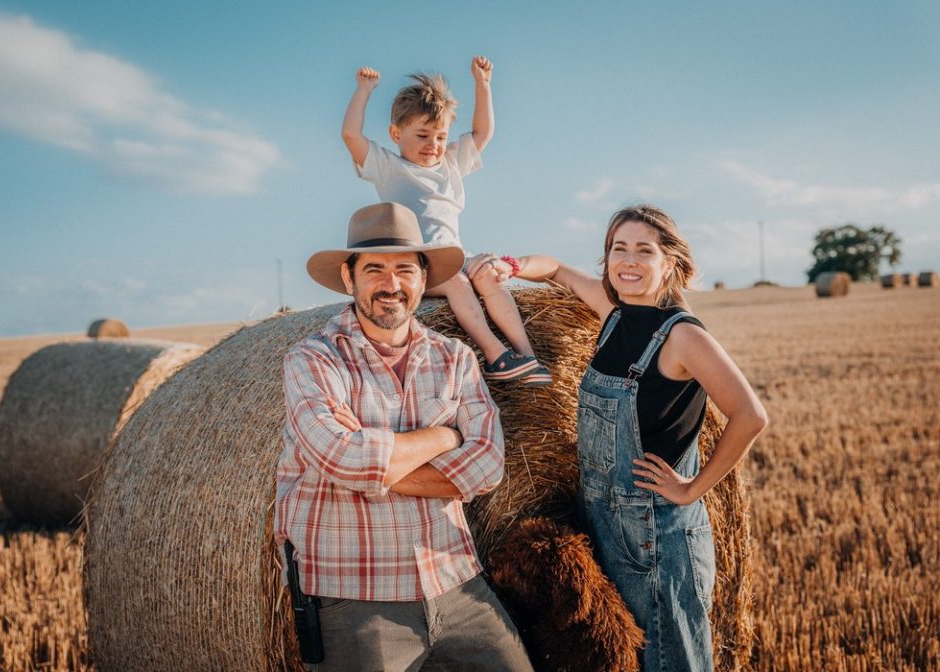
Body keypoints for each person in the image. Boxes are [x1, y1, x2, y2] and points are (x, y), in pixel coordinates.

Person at [506, 205, 768, 671]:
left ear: (670, 263)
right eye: (618, 249)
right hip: (603, 524)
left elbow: (750, 415)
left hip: (658, 540)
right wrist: (508, 266)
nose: (628, 261)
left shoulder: (682, 335)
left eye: (644, 251)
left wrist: (691, 489)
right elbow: (559, 271)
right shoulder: (615, 316)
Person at [275, 202, 534, 671]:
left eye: (405, 270)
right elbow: (342, 459)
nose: (391, 284)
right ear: (349, 278)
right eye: (374, 269)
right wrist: (446, 437)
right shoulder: (313, 360)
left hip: (456, 580)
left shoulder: (455, 358)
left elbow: (489, 467)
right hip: (355, 594)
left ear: (423, 278)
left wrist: (375, 461)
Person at [341, 58, 551, 387]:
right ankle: (496, 355)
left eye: (440, 137)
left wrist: (483, 84)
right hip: (417, 264)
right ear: (396, 133)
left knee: (488, 275)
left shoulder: (451, 163)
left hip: (455, 255)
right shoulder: (389, 167)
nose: (433, 145)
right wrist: (364, 90)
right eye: (423, 135)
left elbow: (483, 132)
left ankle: (527, 357)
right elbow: (351, 135)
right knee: (457, 282)